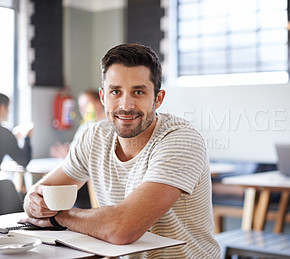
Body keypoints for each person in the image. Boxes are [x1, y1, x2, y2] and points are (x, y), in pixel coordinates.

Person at [22, 43, 221, 258]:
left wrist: (56, 217)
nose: (125, 105)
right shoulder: (94, 136)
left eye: (138, 92)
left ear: (158, 98)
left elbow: (122, 228)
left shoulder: (180, 140)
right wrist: (34, 205)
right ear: (103, 96)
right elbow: (37, 194)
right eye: (115, 91)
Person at [49, 90, 105, 158]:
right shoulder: (85, 126)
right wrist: (65, 151)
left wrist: (71, 156)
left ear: (99, 102)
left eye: (86, 104)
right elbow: (74, 148)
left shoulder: (107, 126)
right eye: (81, 107)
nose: (83, 110)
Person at [0, 93, 33, 167]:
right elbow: (24, 161)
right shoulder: (5, 135)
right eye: (8, 108)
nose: (9, 112)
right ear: (2, 108)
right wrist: (27, 137)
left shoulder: (6, 135)